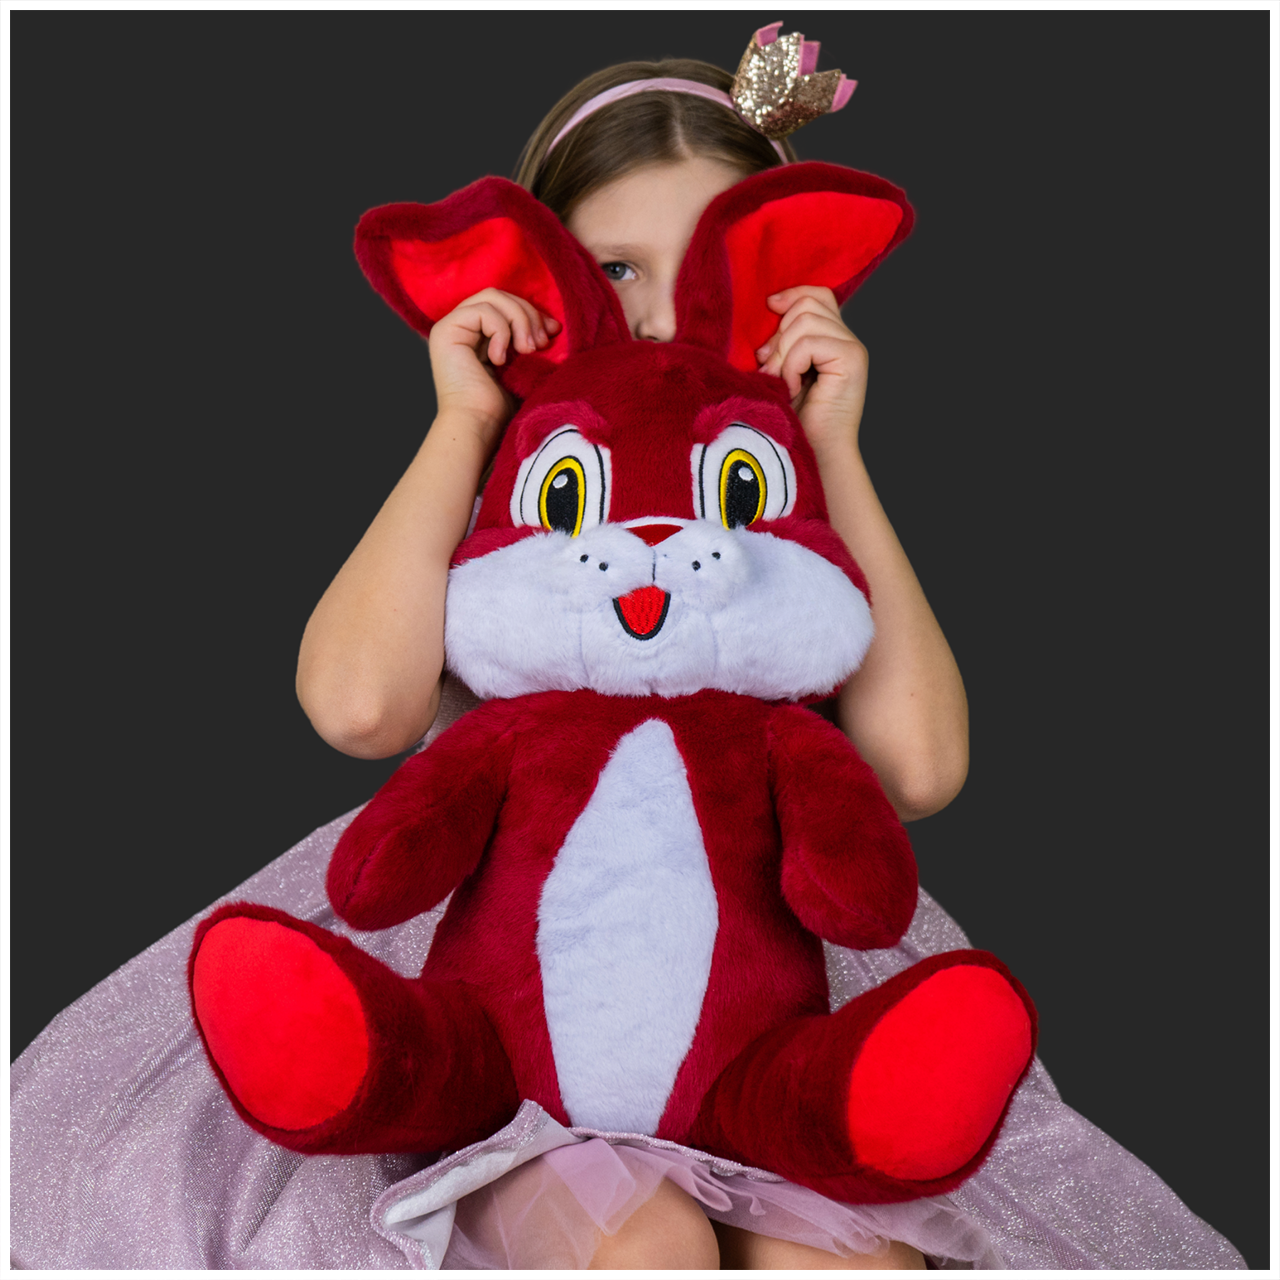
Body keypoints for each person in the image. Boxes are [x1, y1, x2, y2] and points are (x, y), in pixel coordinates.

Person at [9, 29, 1248, 1274]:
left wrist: (832, 445)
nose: (658, 316)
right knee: (641, 1244)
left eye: (703, 265)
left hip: (765, 1006)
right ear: (548, 276)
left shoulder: (774, 505)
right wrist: (465, 421)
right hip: (510, 1018)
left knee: (846, 1262)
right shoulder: (522, 492)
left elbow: (915, 769)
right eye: (615, 267)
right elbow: (359, 706)